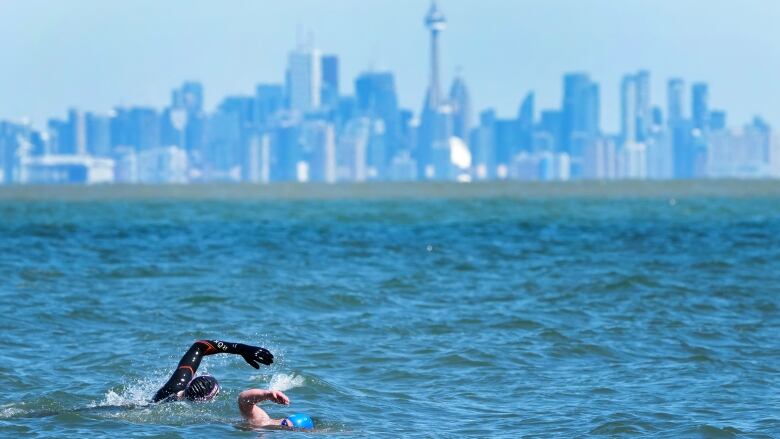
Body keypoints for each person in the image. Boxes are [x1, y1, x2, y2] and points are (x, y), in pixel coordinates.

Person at [152, 339, 274, 403]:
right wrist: (241, 349)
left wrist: (240, 349)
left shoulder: (174, 388)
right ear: (205, 400)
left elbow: (199, 346)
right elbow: (200, 346)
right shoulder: (195, 415)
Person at [237, 388, 315, 430]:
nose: (282, 427)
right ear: (282, 419)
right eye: (284, 423)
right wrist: (267, 395)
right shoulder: (263, 419)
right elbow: (242, 399)